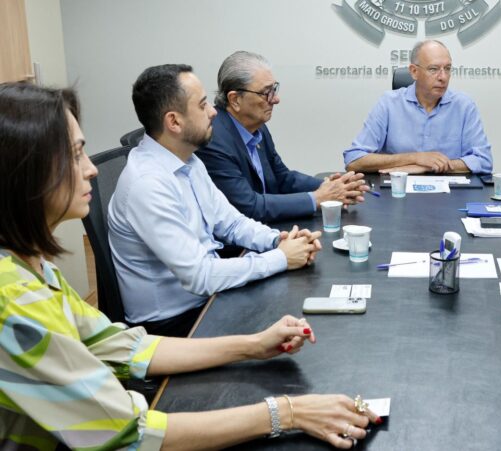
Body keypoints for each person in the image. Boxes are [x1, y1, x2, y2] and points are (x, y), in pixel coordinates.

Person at [0, 82, 379, 450]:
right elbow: (130, 433)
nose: (91, 169)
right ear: (23, 171)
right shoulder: (13, 300)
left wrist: (253, 345)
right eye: (76, 153)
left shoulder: (34, 270)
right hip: (177, 315)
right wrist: (289, 413)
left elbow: (126, 348)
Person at [109, 64, 321, 337]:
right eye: (203, 105)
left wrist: (276, 240)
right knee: (292, 325)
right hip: (176, 325)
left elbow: (231, 223)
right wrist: (280, 258)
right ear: (174, 122)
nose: (213, 112)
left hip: (209, 299)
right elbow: (201, 276)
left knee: (301, 308)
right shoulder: (148, 185)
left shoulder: (188, 159)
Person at [196, 51, 369, 223]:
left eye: (274, 90)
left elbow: (282, 178)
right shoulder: (214, 139)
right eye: (266, 93)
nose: (276, 99)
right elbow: (248, 206)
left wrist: (328, 186)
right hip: (237, 246)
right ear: (235, 100)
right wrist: (317, 198)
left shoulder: (259, 128)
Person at [343, 39, 493, 174]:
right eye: (433, 69)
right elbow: (353, 159)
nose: (443, 77)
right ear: (414, 72)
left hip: (450, 196)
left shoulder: (464, 106)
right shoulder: (389, 103)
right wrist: (415, 158)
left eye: (447, 68)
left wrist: (431, 166)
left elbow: (484, 161)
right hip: (396, 194)